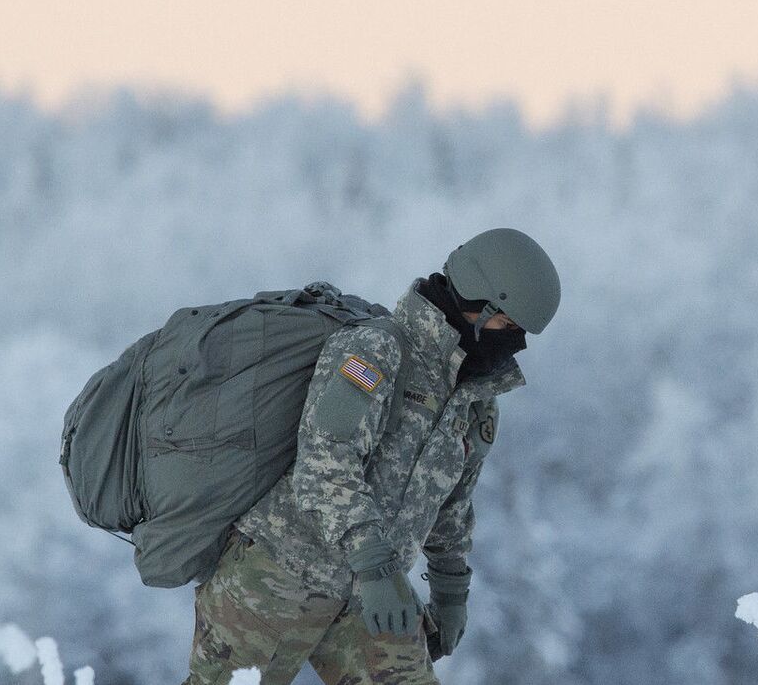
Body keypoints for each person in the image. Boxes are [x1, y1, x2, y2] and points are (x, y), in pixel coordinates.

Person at [183, 228, 561, 685]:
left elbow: (453, 502)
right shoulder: (376, 350)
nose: (514, 344)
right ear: (480, 303)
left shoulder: (474, 399)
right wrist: (377, 567)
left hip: (372, 599)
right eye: (510, 327)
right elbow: (325, 464)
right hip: (277, 576)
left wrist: (450, 585)